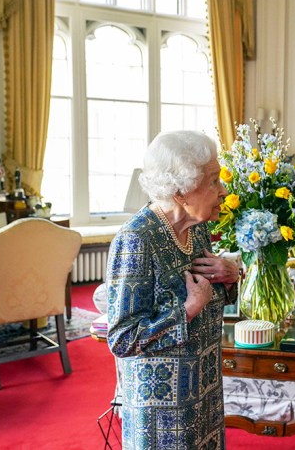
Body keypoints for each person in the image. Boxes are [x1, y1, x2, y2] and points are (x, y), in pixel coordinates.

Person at [106, 130, 239, 449]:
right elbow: (122, 338)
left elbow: (212, 293)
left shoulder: (197, 227)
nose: (222, 191)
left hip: (204, 395)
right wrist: (188, 309)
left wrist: (231, 275)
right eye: (213, 181)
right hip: (162, 415)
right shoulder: (137, 240)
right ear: (181, 190)